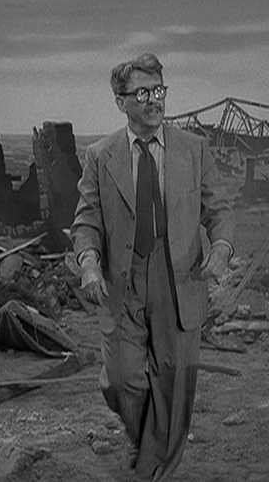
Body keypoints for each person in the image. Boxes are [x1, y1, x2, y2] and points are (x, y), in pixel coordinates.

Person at [69, 53, 235, 481]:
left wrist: (221, 248)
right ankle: (149, 443)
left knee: (173, 381)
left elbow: (219, 209)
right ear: (120, 102)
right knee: (120, 379)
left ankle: (152, 470)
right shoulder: (99, 155)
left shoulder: (194, 150)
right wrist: (89, 264)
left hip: (179, 275)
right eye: (142, 93)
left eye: (158, 90)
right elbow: (86, 221)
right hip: (121, 277)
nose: (154, 100)